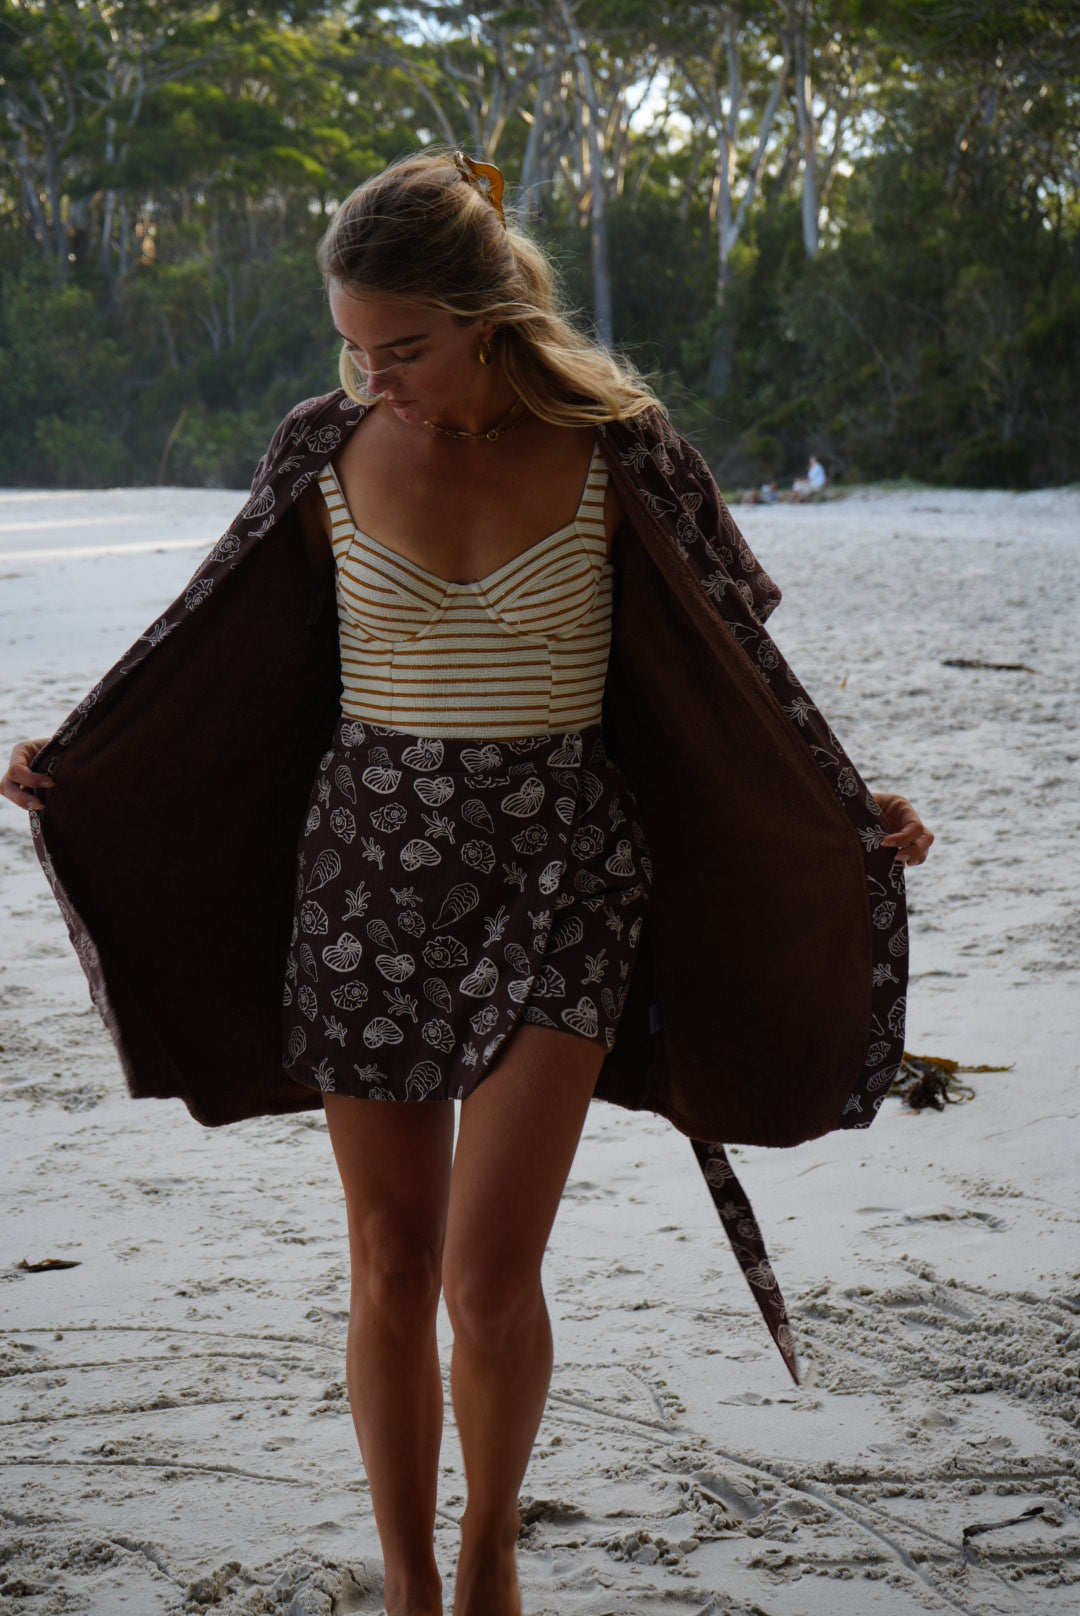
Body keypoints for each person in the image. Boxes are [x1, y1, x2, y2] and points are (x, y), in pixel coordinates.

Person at [2, 148, 933, 1616]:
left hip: (564, 863)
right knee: (391, 1258)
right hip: (366, 870)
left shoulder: (625, 449)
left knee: (489, 1277)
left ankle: (490, 1548)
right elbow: (204, 640)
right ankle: (411, 1582)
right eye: (353, 348)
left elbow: (726, 660)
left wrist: (836, 799)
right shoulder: (322, 448)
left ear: (488, 314)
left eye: (406, 349)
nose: (377, 380)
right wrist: (88, 752)